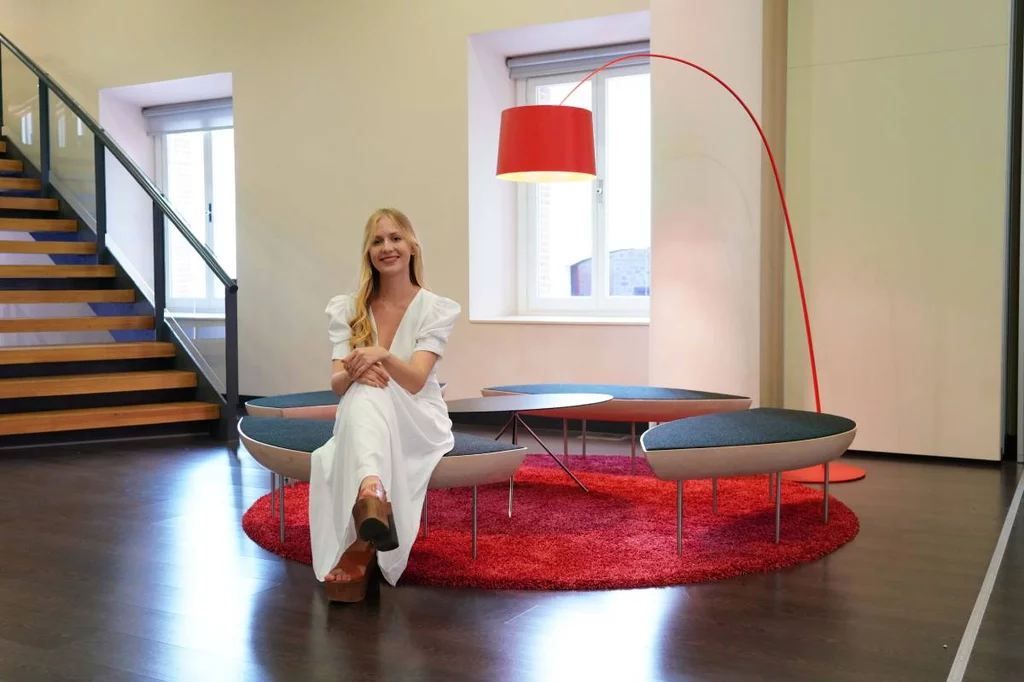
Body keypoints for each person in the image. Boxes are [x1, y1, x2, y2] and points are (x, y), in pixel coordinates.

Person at [308, 207, 460, 602]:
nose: (387, 247)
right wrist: (358, 371)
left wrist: (379, 355)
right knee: (363, 390)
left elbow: (415, 380)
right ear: (367, 253)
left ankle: (369, 501)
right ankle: (371, 497)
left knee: (370, 388)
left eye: (395, 238)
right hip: (366, 408)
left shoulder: (435, 308)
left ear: (412, 247)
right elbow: (338, 384)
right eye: (377, 241)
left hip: (418, 416)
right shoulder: (347, 307)